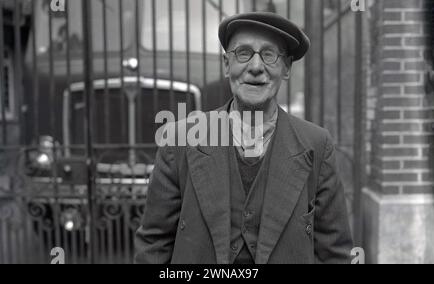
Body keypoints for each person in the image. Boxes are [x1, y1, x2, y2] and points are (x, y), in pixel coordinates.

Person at [134, 12, 353, 264]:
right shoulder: (179, 140)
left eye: (269, 54)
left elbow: (334, 253)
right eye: (243, 53)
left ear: (287, 68)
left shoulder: (316, 144)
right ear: (227, 65)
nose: (256, 67)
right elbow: (153, 246)